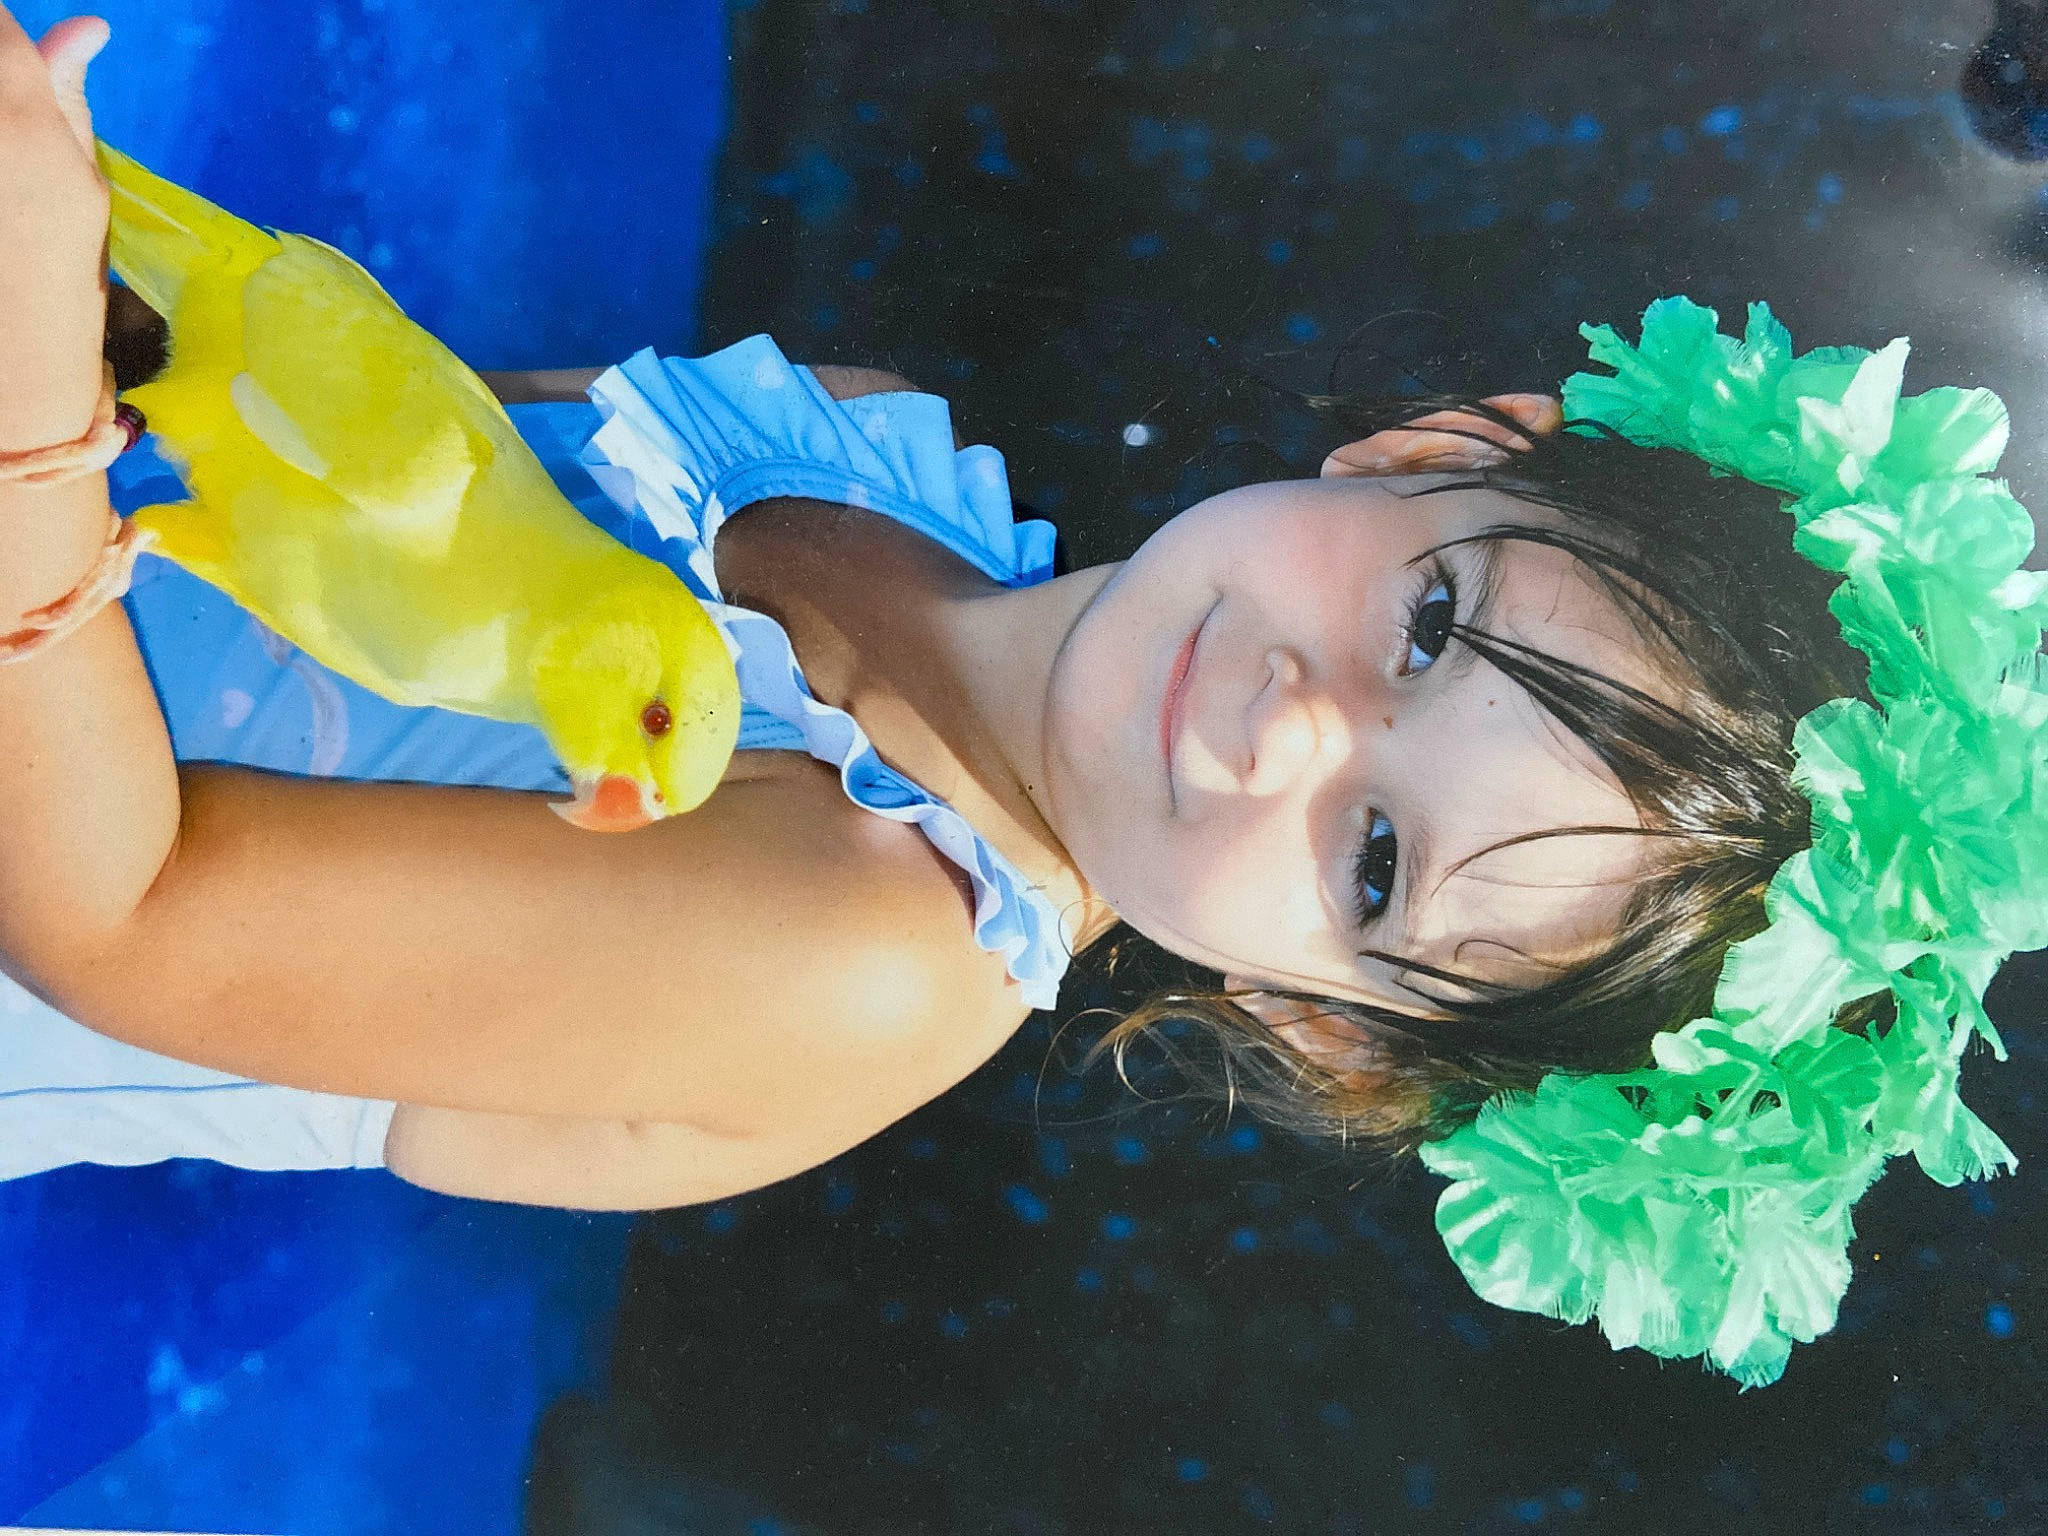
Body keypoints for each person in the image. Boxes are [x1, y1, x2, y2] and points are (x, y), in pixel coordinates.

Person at [1, 12, 2036, 1387]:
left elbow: (122, 915)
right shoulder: (851, 441)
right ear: (1433, 451)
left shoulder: (859, 952)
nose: (1285, 718)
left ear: (1325, 1028)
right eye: (1426, 627)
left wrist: (24, 405)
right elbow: (315, 462)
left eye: (1375, 859)